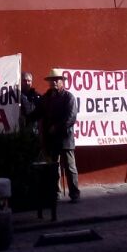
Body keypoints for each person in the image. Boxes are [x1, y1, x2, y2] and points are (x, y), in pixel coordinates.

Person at [38, 69, 80, 201]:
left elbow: (71, 118)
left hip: (65, 138)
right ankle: (56, 193)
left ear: (62, 82)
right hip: (51, 139)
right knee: (54, 167)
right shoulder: (46, 98)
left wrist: (57, 127)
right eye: (52, 80)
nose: (54, 82)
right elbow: (38, 112)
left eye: (57, 80)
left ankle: (74, 194)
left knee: (70, 168)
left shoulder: (69, 97)